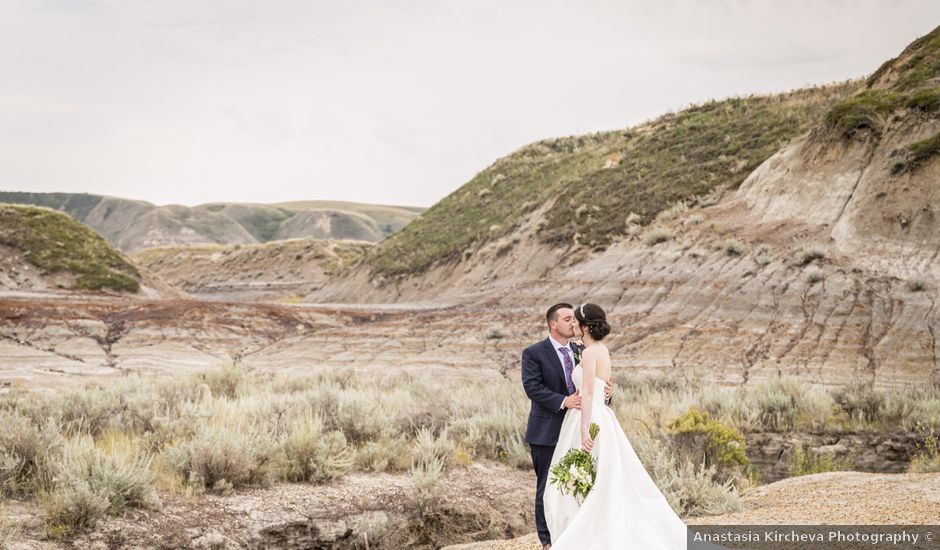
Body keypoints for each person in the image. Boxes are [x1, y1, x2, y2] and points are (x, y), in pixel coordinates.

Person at [542, 303, 688, 549]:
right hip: (603, 416)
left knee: (586, 479)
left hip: (588, 418)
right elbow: (600, 388)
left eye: (576, 321)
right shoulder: (600, 349)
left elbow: (588, 393)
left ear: (586, 326)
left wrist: (583, 429)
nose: (574, 325)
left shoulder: (589, 354)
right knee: (604, 477)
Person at [521, 303, 613, 550]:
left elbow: (593, 386)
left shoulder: (582, 349)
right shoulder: (534, 353)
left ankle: (577, 537)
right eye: (567, 319)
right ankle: (548, 541)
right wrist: (564, 401)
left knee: (582, 483)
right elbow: (533, 388)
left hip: (578, 429)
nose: (572, 323)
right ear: (553, 324)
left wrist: (606, 393)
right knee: (547, 486)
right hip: (548, 431)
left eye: (575, 319)